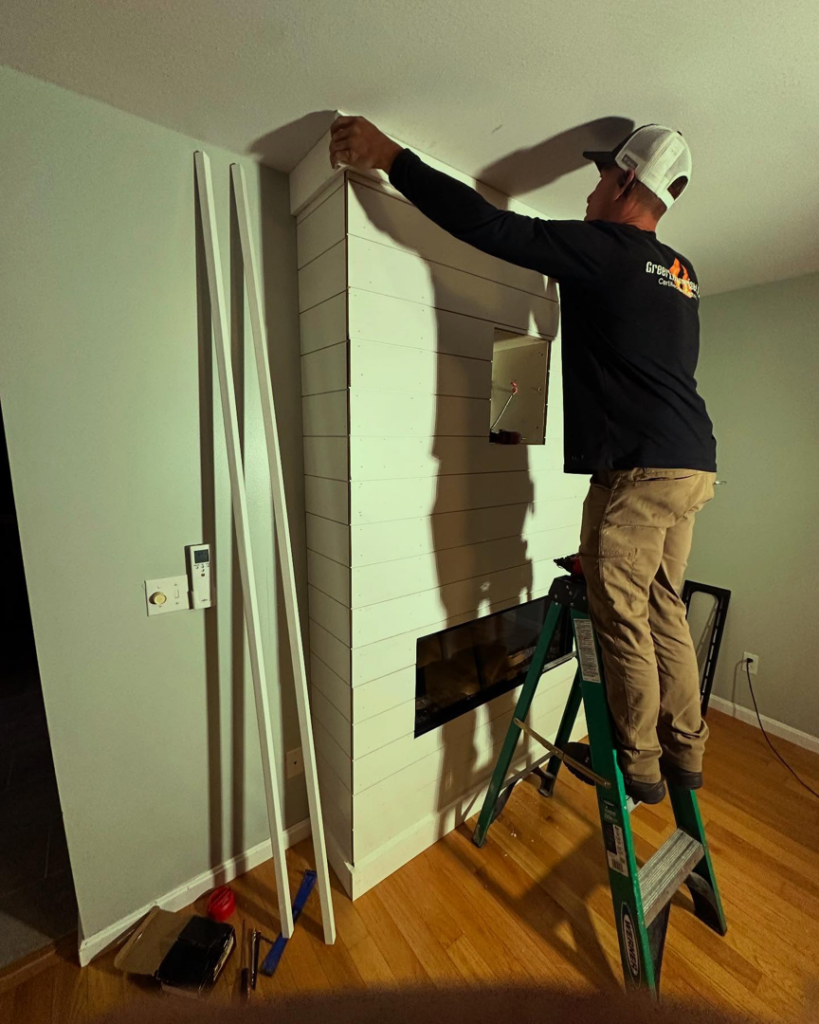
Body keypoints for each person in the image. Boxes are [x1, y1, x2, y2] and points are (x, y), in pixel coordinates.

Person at [329, 116, 716, 805]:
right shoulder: (680, 274)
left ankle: (642, 765)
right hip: (688, 464)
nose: (590, 191)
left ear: (626, 180)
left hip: (639, 468)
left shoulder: (604, 248)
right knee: (661, 605)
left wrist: (394, 158)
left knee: (621, 613)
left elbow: (488, 228)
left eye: (600, 176)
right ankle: (686, 751)